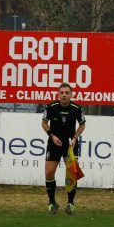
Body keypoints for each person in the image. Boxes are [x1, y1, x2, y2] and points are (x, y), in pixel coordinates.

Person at [41, 83, 86, 215]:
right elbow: (44, 123)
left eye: (67, 93)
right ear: (58, 94)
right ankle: (52, 203)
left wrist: (75, 137)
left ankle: (70, 204)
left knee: (72, 173)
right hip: (54, 143)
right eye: (62, 92)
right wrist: (52, 136)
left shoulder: (76, 108)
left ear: (71, 95)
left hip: (70, 145)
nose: (64, 95)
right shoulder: (51, 107)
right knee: (49, 173)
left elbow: (82, 125)